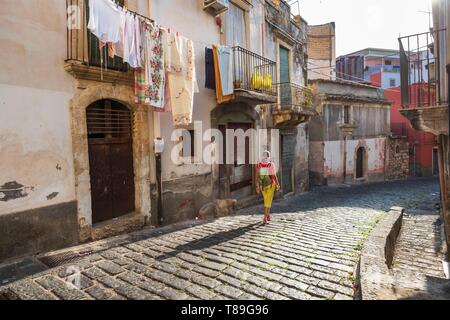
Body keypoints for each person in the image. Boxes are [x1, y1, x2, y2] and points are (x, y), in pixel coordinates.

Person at [255, 151, 280, 225]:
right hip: (270, 185)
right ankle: (265, 218)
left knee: (266, 201)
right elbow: (274, 176)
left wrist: (257, 186)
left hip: (262, 186)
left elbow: (257, 177)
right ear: (269, 157)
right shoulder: (271, 164)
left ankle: (268, 215)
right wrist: (278, 184)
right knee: (268, 202)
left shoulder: (258, 165)